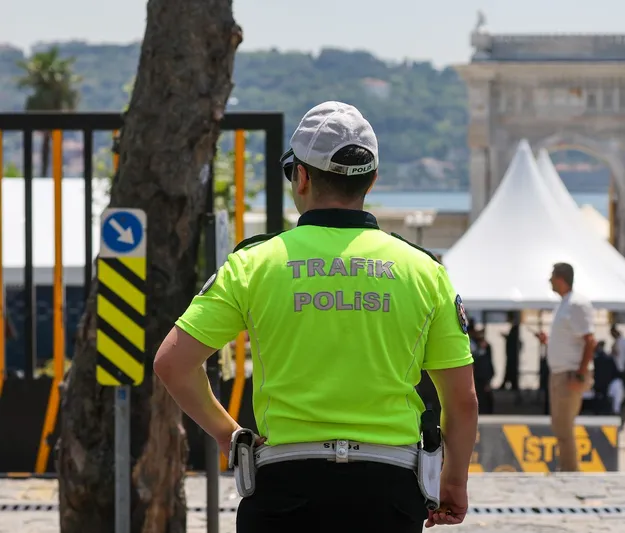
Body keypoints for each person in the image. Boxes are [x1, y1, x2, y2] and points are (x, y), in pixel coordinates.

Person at [154, 101, 479, 532]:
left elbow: (172, 364)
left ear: (301, 176)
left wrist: (228, 434)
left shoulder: (255, 263)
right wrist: (453, 481)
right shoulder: (424, 270)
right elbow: (462, 400)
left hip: (285, 483)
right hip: (388, 488)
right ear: (372, 179)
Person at [534, 262, 596, 472]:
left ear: (560, 278)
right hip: (560, 373)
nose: (549, 281)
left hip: (569, 373)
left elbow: (590, 341)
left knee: (564, 426)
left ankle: (570, 471)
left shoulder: (576, 304)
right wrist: (547, 342)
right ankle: (567, 468)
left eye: (552, 276)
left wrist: (580, 374)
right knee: (560, 425)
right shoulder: (564, 304)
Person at [471, 327, 495, 414]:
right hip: (479, 375)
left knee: (484, 395)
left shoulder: (486, 349)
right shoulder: (475, 348)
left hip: (483, 375)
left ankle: (486, 411)